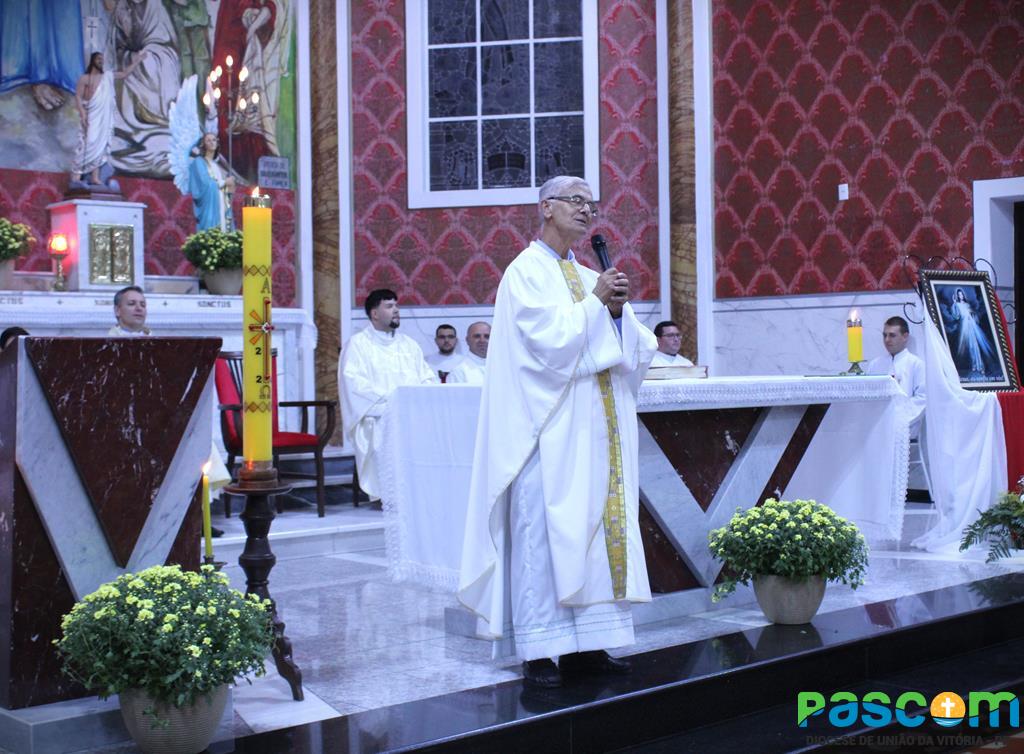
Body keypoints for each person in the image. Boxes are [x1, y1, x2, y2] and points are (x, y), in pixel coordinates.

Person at [458, 176, 658, 689]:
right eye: (576, 201)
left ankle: (587, 646)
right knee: (545, 537)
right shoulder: (524, 273)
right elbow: (546, 345)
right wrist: (597, 305)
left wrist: (615, 311)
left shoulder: (586, 272)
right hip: (545, 433)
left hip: (593, 434)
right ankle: (541, 649)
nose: (587, 210)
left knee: (591, 537)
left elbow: (635, 345)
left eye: (591, 203)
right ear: (546, 207)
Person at [338, 289, 438, 499]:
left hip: (410, 415)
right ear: (374, 313)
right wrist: (393, 402)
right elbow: (354, 384)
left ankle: (418, 494)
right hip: (377, 417)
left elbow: (427, 378)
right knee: (385, 435)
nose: (396, 311)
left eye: (397, 306)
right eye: (389, 306)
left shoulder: (408, 345)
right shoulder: (358, 344)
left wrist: (412, 400)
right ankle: (388, 496)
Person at [71, 51, 147, 187]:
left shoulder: (107, 76)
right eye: (98, 59)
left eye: (102, 59)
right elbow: (78, 96)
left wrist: (137, 61)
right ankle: (76, 177)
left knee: (100, 146)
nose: (101, 61)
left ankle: (95, 177)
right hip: (91, 114)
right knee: (89, 144)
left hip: (103, 117)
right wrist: (82, 114)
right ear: (93, 60)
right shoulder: (84, 78)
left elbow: (124, 74)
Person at [867, 316, 925, 437]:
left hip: (905, 430)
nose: (887, 340)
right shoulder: (875, 365)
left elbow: (922, 399)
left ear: (905, 337)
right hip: (878, 430)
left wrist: (897, 418)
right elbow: (868, 397)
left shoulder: (916, 364)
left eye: (892, 335)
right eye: (884, 335)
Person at [189, 133, 236, 231]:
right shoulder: (198, 162)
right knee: (211, 234)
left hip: (221, 206)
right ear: (203, 144)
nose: (212, 142)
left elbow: (225, 190)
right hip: (209, 207)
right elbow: (206, 185)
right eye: (208, 140)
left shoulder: (216, 166)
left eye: (214, 140)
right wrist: (224, 182)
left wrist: (230, 188)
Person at [949, 288, 995, 376]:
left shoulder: (967, 304)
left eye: (961, 294)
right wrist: (954, 304)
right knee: (970, 347)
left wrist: (972, 316)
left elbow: (973, 314)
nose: (960, 296)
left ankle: (980, 366)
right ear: (957, 296)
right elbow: (956, 316)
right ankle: (974, 365)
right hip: (964, 327)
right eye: (959, 295)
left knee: (976, 345)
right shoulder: (957, 305)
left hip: (972, 325)